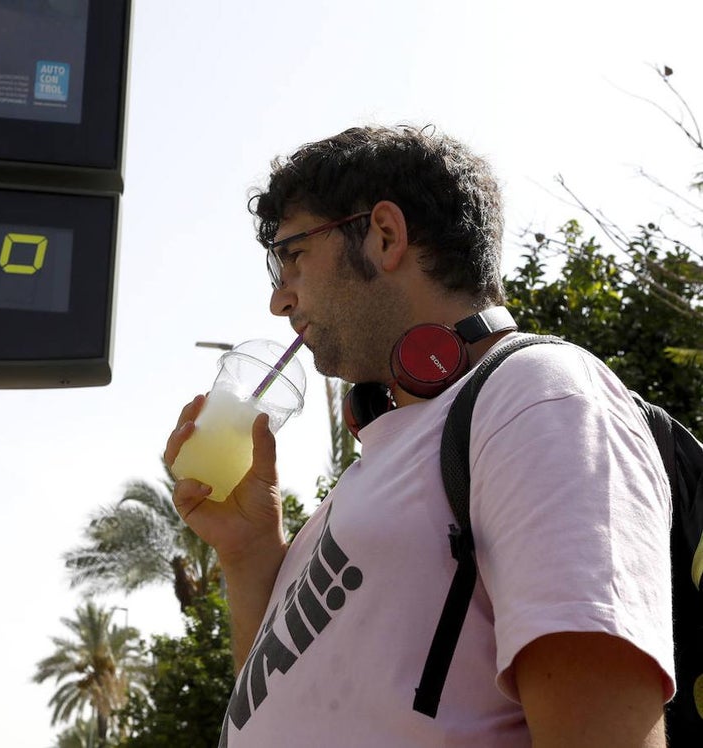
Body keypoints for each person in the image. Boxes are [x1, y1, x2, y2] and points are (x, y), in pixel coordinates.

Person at [164, 125, 675, 747]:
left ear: (384, 235)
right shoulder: (366, 480)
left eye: (291, 254)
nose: (279, 298)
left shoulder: (538, 395)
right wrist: (248, 554)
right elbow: (275, 705)